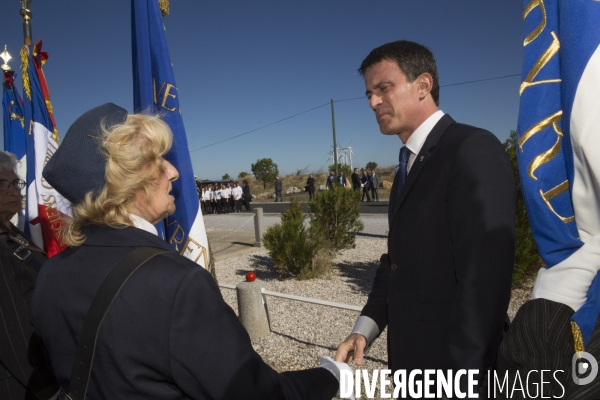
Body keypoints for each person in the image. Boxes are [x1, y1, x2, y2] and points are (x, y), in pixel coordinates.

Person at [31, 103, 350, 399]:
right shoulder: (176, 284)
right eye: (158, 161)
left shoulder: (50, 273)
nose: (173, 172)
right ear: (127, 182)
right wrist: (332, 374)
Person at [334, 40, 515, 396]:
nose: (372, 102)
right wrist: (364, 329)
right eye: (369, 93)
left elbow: (485, 285)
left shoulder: (471, 149)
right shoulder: (405, 169)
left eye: (383, 88)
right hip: (411, 367)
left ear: (423, 85)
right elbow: (395, 262)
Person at [0, 151, 59, 400]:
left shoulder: (12, 231)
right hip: (24, 382)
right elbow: (9, 329)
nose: (14, 191)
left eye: (15, 183)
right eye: (2, 185)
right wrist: (45, 387)